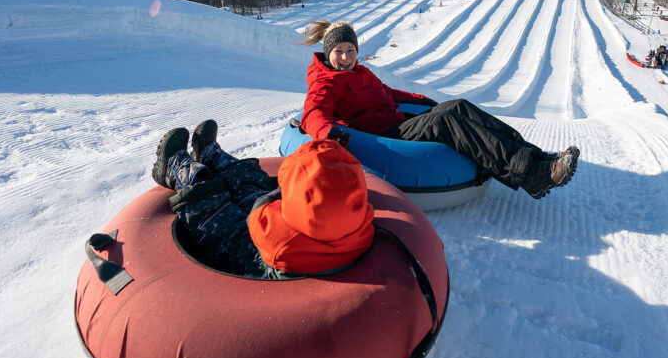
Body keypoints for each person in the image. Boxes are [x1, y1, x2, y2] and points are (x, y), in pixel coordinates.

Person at [300, 19, 580, 199]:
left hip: (397, 121)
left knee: (456, 105)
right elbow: (312, 113)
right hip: (383, 137)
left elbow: (388, 93)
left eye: (351, 49)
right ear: (328, 53)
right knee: (445, 121)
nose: (346, 57)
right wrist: (328, 132)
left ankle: (538, 155)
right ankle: (534, 175)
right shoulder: (326, 81)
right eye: (339, 52)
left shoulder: (360, 71)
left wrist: (421, 99)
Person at [151, 120, 374, 278]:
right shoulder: (360, 220)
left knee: (216, 210)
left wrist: (277, 191)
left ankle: (175, 169)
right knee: (253, 186)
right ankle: (212, 158)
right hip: (304, 237)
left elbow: (257, 213)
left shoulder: (277, 238)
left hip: (258, 259)